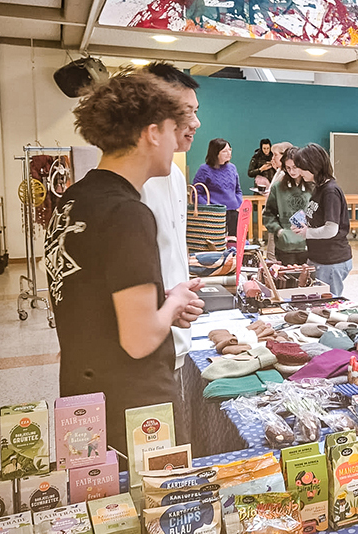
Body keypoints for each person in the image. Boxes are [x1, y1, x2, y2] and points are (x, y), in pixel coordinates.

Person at [44, 72, 203, 459]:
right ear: (152, 133)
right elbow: (140, 339)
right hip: (135, 407)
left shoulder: (74, 199)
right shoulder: (129, 212)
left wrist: (159, 303)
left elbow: (90, 297)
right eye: (173, 127)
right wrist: (174, 302)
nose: (177, 138)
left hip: (82, 392)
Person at [140, 62, 203, 446]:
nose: (196, 122)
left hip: (176, 341)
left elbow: (169, 249)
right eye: (188, 112)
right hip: (147, 345)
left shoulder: (175, 174)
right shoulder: (136, 182)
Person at [290, 144, 353, 296]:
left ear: (314, 166)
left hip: (331, 260)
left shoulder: (330, 191)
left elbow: (331, 229)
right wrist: (303, 225)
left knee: (328, 304)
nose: (299, 172)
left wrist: (307, 232)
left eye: (302, 168)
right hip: (319, 257)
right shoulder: (319, 187)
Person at [263, 147, 312, 265]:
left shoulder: (313, 187)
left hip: (309, 245)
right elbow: (268, 214)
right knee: (287, 280)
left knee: (309, 280)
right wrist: (279, 231)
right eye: (288, 168)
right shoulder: (277, 187)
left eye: (295, 167)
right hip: (285, 246)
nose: (292, 171)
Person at [193, 138, 243, 242]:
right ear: (215, 153)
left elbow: (238, 190)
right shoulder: (204, 169)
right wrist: (209, 207)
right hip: (214, 214)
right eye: (224, 151)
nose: (228, 153)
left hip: (233, 212)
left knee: (233, 242)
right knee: (216, 243)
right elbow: (196, 193)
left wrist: (238, 203)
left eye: (230, 150)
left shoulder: (232, 168)